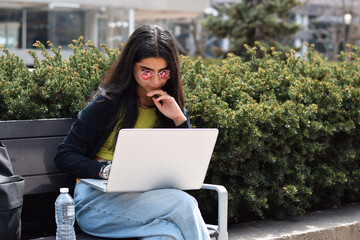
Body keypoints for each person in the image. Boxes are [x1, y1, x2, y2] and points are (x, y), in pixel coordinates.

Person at [54, 24, 211, 240]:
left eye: (163, 72)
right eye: (146, 71)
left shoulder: (170, 108)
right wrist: (107, 170)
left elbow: (185, 168)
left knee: (168, 236)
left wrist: (178, 119)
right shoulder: (107, 104)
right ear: (132, 67)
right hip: (96, 204)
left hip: (146, 202)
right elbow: (64, 156)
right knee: (184, 203)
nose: (156, 81)